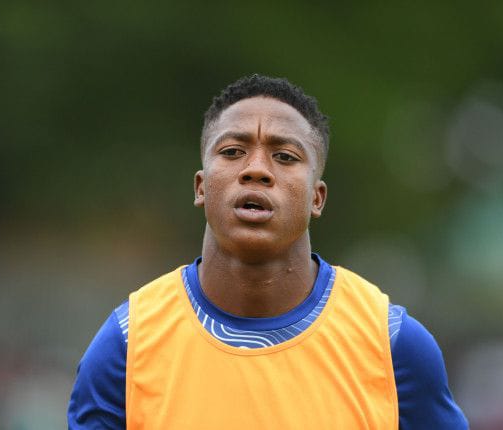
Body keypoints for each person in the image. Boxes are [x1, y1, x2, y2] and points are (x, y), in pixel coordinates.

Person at [68, 74, 468, 429]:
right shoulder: (127, 344)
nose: (257, 169)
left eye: (285, 157)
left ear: (317, 197)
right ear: (201, 187)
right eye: (232, 152)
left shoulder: (393, 346)